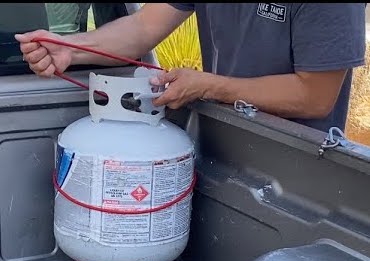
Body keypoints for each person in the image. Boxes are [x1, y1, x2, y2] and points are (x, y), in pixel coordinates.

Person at [15, 3, 366, 132]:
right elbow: (143, 28)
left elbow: (315, 96)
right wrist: (70, 50)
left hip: (294, 171)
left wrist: (209, 86)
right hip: (221, 145)